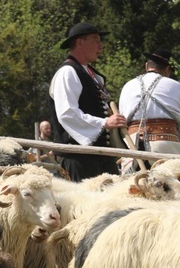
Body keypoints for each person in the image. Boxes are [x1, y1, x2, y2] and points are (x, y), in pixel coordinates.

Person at [48, 22, 127, 182]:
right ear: (80, 43)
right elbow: (67, 113)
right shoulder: (67, 72)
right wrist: (105, 122)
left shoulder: (90, 74)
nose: (100, 45)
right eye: (95, 40)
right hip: (79, 157)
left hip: (100, 154)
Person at [118, 48, 180, 168]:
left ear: (147, 66)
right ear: (167, 69)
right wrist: (177, 147)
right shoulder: (176, 86)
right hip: (165, 146)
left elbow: (122, 122)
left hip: (133, 148)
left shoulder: (128, 86)